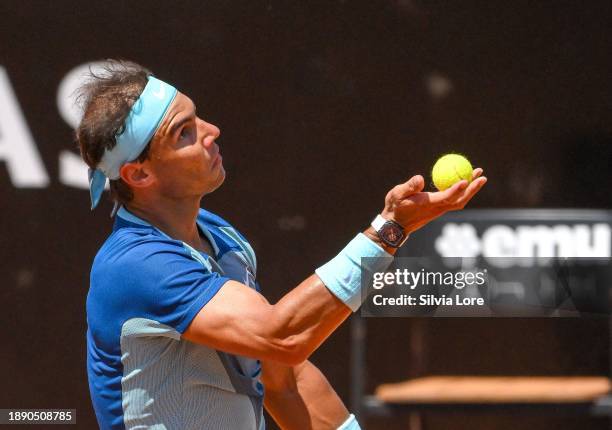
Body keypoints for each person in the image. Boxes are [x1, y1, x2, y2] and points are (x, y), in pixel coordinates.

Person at [78, 60, 486, 430]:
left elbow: (280, 377)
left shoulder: (220, 237)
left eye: (197, 117)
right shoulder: (134, 264)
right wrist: (389, 230)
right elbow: (282, 337)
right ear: (139, 175)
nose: (211, 131)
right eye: (185, 132)